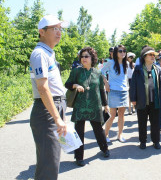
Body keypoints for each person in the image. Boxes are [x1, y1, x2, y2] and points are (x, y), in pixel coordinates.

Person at [29, 15, 68, 180]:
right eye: (54, 29)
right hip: (46, 112)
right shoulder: (39, 54)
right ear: (42, 32)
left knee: (51, 161)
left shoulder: (49, 53)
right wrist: (57, 118)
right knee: (49, 164)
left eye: (60, 29)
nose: (59, 32)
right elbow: (43, 89)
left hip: (54, 107)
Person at [65, 47, 110, 167]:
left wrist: (105, 105)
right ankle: (79, 157)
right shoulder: (76, 71)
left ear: (92, 58)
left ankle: (104, 149)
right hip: (80, 106)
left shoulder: (97, 73)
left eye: (86, 56)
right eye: (82, 56)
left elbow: (101, 90)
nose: (83, 58)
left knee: (98, 129)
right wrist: (75, 85)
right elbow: (67, 84)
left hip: (95, 105)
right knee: (79, 132)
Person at [130, 46, 161, 149]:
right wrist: (133, 98)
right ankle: (143, 141)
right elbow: (133, 84)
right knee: (142, 122)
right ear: (144, 56)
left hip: (155, 101)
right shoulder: (138, 69)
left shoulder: (158, 69)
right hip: (142, 100)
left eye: (153, 55)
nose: (153, 56)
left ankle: (156, 141)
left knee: (155, 123)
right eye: (150, 55)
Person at [101, 45, 129, 143]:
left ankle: (120, 135)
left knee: (121, 115)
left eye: (124, 51)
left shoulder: (127, 64)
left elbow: (126, 78)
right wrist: (106, 83)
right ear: (116, 53)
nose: (123, 53)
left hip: (124, 91)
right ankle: (105, 134)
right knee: (112, 115)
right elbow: (101, 72)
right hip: (113, 91)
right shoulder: (111, 62)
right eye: (120, 51)